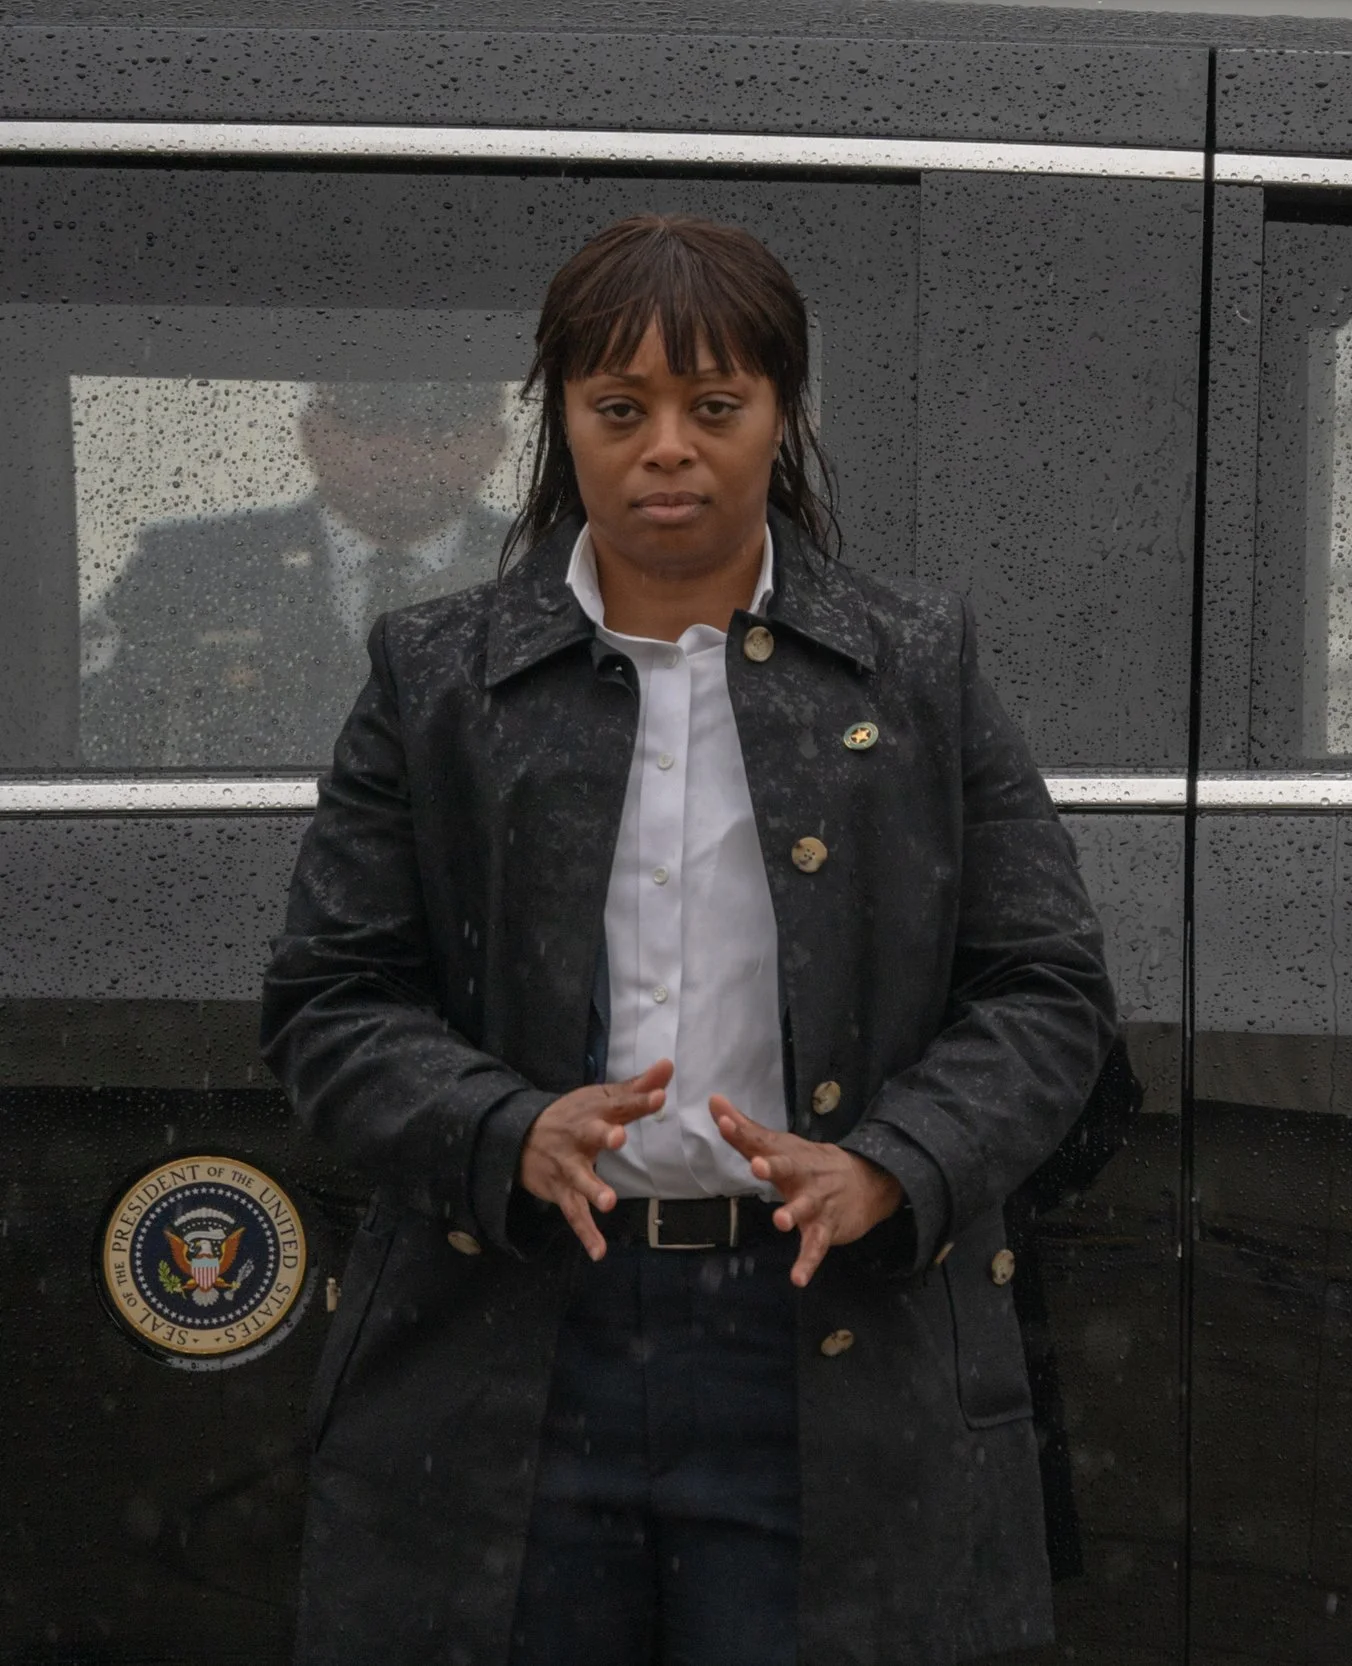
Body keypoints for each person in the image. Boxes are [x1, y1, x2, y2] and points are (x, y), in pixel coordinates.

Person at [260, 216, 1117, 1665]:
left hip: (819, 1344)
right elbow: (329, 1001)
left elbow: (1048, 990)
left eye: (714, 407)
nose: (669, 447)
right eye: (622, 409)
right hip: (516, 1341)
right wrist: (501, 1128)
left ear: (782, 418)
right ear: (565, 424)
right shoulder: (435, 679)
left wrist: (892, 1165)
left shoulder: (914, 664)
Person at [81, 380, 509, 766]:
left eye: (435, 428)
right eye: (365, 423)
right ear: (313, 433)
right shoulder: (187, 568)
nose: (397, 447)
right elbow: (101, 732)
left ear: (494, 443)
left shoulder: (547, 567)